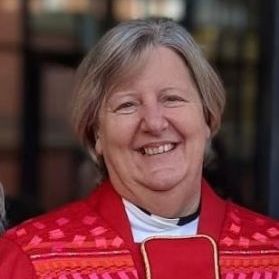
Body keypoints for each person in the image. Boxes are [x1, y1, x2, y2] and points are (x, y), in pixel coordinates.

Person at [0, 17, 279, 279]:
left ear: (207, 118)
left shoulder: (271, 254)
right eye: (127, 105)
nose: (154, 123)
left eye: (172, 98)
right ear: (96, 133)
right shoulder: (32, 261)